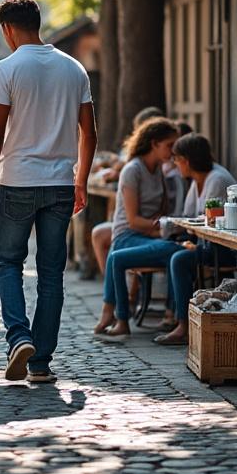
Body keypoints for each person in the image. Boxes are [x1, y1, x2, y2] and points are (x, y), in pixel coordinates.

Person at [0, 0, 96, 383]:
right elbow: (89, 133)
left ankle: (18, 336)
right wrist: (81, 181)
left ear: (9, 29)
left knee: (9, 262)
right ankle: (41, 362)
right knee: (51, 274)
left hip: (18, 181)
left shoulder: (6, 69)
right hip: (61, 183)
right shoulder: (74, 68)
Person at [92, 118, 185, 340]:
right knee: (174, 249)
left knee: (176, 252)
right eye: (169, 145)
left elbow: (160, 214)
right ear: (154, 143)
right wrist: (161, 228)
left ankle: (170, 315)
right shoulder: (132, 170)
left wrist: (161, 228)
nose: (173, 151)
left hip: (150, 236)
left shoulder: (159, 171)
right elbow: (134, 221)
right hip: (128, 236)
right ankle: (118, 316)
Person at [154, 133, 237, 346]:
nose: (175, 164)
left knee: (179, 259)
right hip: (204, 242)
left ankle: (182, 324)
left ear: (187, 161)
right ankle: (176, 316)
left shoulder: (216, 179)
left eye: (177, 159)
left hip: (223, 248)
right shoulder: (196, 180)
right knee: (174, 251)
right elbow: (189, 217)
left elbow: (208, 221)